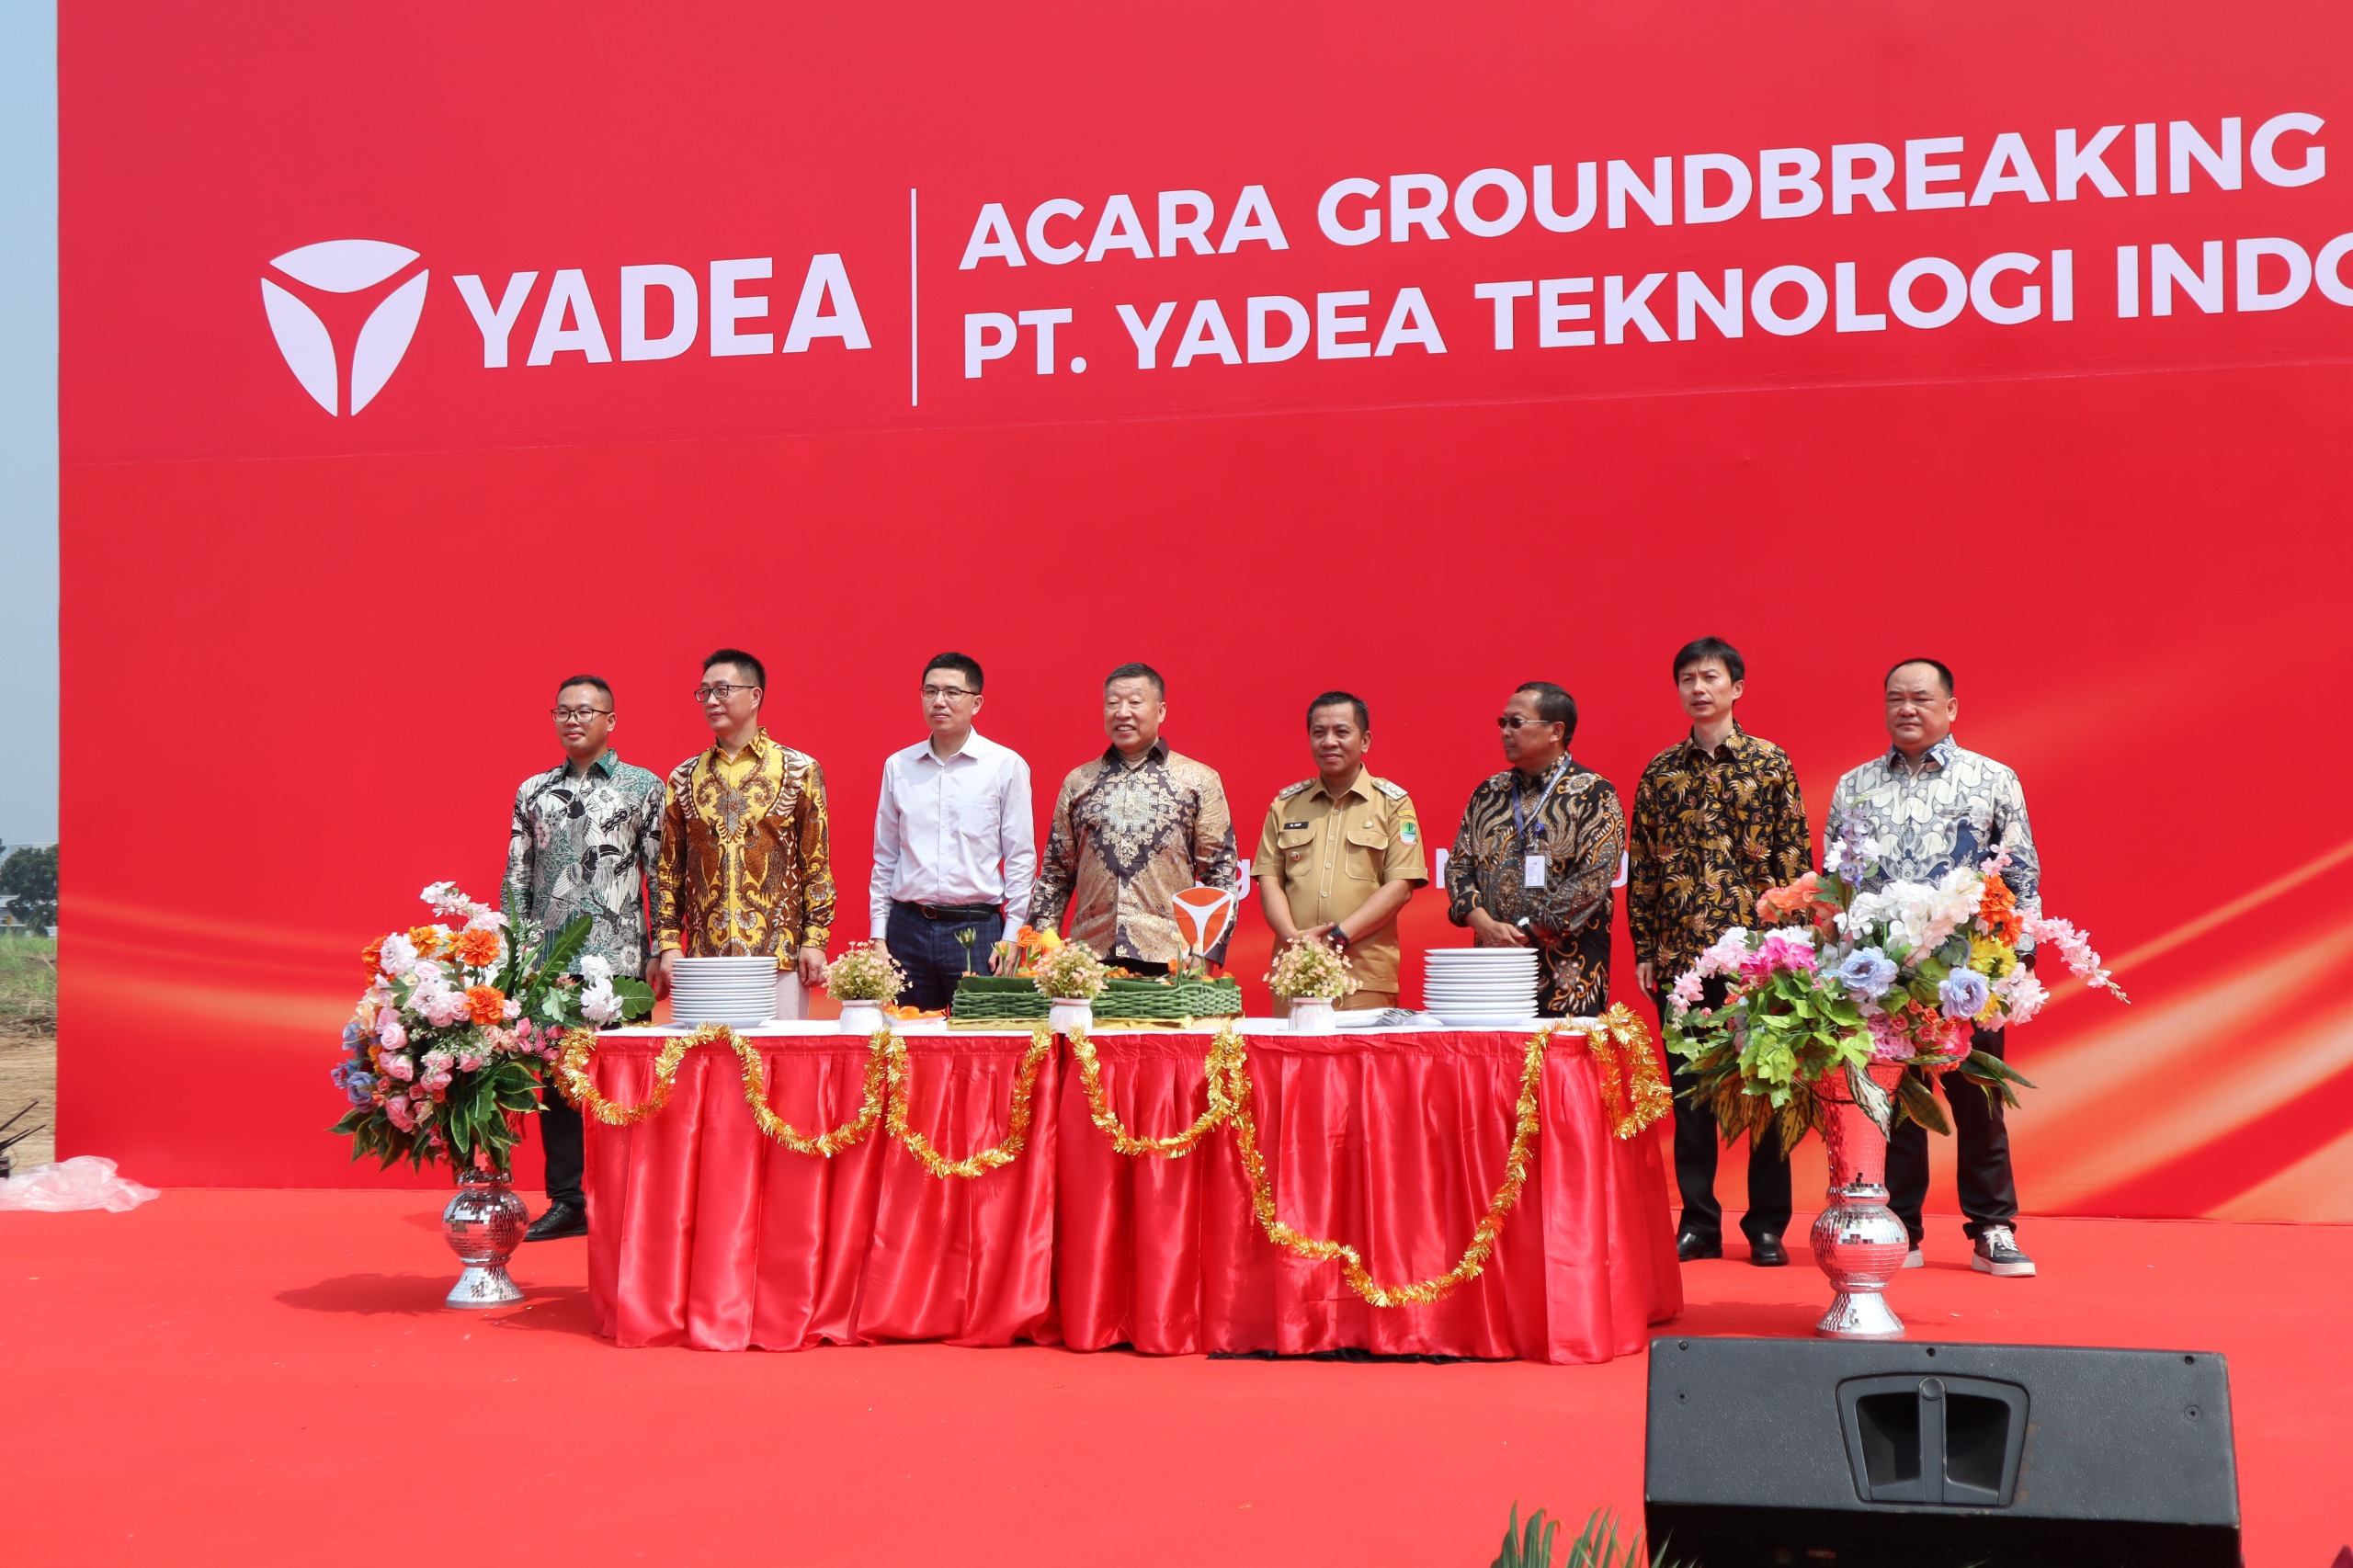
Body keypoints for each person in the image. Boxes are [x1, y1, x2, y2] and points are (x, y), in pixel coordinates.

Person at [1830, 657, 2040, 1278]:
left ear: (1951, 708)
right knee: (1894, 1098)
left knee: (1979, 1097)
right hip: (1884, 971)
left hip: (1969, 969)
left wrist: (2019, 960)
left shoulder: (1992, 779)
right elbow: (1840, 879)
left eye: (1921, 698)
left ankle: (1993, 1228)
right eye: (1895, 698)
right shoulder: (1855, 786)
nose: (1906, 708)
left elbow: (2022, 873)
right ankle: (1902, 1225)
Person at [1629, 638, 1812, 1267]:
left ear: (1737, 688)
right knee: (1690, 1098)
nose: (1698, 688)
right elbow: (1644, 867)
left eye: (1710, 677)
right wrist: (1646, 946)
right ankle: (1700, 1223)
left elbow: (1794, 856)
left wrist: (1792, 946)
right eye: (1687, 679)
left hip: (1757, 959)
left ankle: (1767, 1226)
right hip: (1682, 956)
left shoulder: (1769, 763)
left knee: (1767, 1087)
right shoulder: (1660, 771)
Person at [502, 675, 664, 1242]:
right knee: (560, 1087)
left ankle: (629, 1201)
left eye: (585, 711)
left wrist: (663, 948)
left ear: (610, 721)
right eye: (563, 711)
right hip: (551, 965)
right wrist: (515, 956)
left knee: (626, 1087)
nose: (573, 720)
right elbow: (517, 877)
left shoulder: (642, 787)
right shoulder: (534, 791)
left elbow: (661, 877)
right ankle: (568, 1200)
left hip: (622, 962)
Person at [653, 649, 835, 1018]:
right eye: (704, 692)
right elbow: (669, 871)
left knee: (780, 1054)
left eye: (722, 690)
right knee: (708, 1054)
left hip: (779, 954)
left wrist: (815, 939)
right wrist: (669, 943)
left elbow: (816, 865)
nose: (711, 701)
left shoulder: (799, 770)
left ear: (755, 696)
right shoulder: (683, 777)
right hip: (705, 958)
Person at [1031, 663, 1238, 970]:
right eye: (1113, 703)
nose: (1122, 712)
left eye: (1135, 702)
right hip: (1087, 962)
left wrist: (1206, 951)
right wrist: (1041, 948)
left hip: (1172, 958)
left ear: (1161, 711)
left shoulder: (1198, 780)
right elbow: (1055, 875)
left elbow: (1220, 874)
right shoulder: (1078, 782)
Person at [1445, 681, 1625, 1017]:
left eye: (1516, 722)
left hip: (1569, 970)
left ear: (1556, 730)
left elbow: (1593, 878)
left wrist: (1528, 931)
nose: (1505, 732)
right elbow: (1458, 866)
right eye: (1503, 722)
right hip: (1495, 966)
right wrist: (1484, 925)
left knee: (1561, 1051)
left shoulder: (1594, 793)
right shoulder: (1488, 792)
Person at [870, 652, 1037, 1010]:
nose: (939, 701)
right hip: (907, 930)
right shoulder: (899, 766)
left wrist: (1013, 937)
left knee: (982, 1036)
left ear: (976, 703)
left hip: (977, 930)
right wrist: (878, 935)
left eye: (952, 692)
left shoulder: (1005, 766)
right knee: (904, 1036)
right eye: (930, 691)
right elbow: (885, 857)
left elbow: (1021, 859)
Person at [1253, 691, 1428, 1012]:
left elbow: (1400, 886)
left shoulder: (1394, 804)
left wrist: (1338, 937)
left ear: (1365, 741)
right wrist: (1295, 940)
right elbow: (1269, 881)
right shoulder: (1285, 806)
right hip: (1295, 975)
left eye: (1342, 732)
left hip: (1362, 980)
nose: (1329, 742)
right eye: (1319, 732)